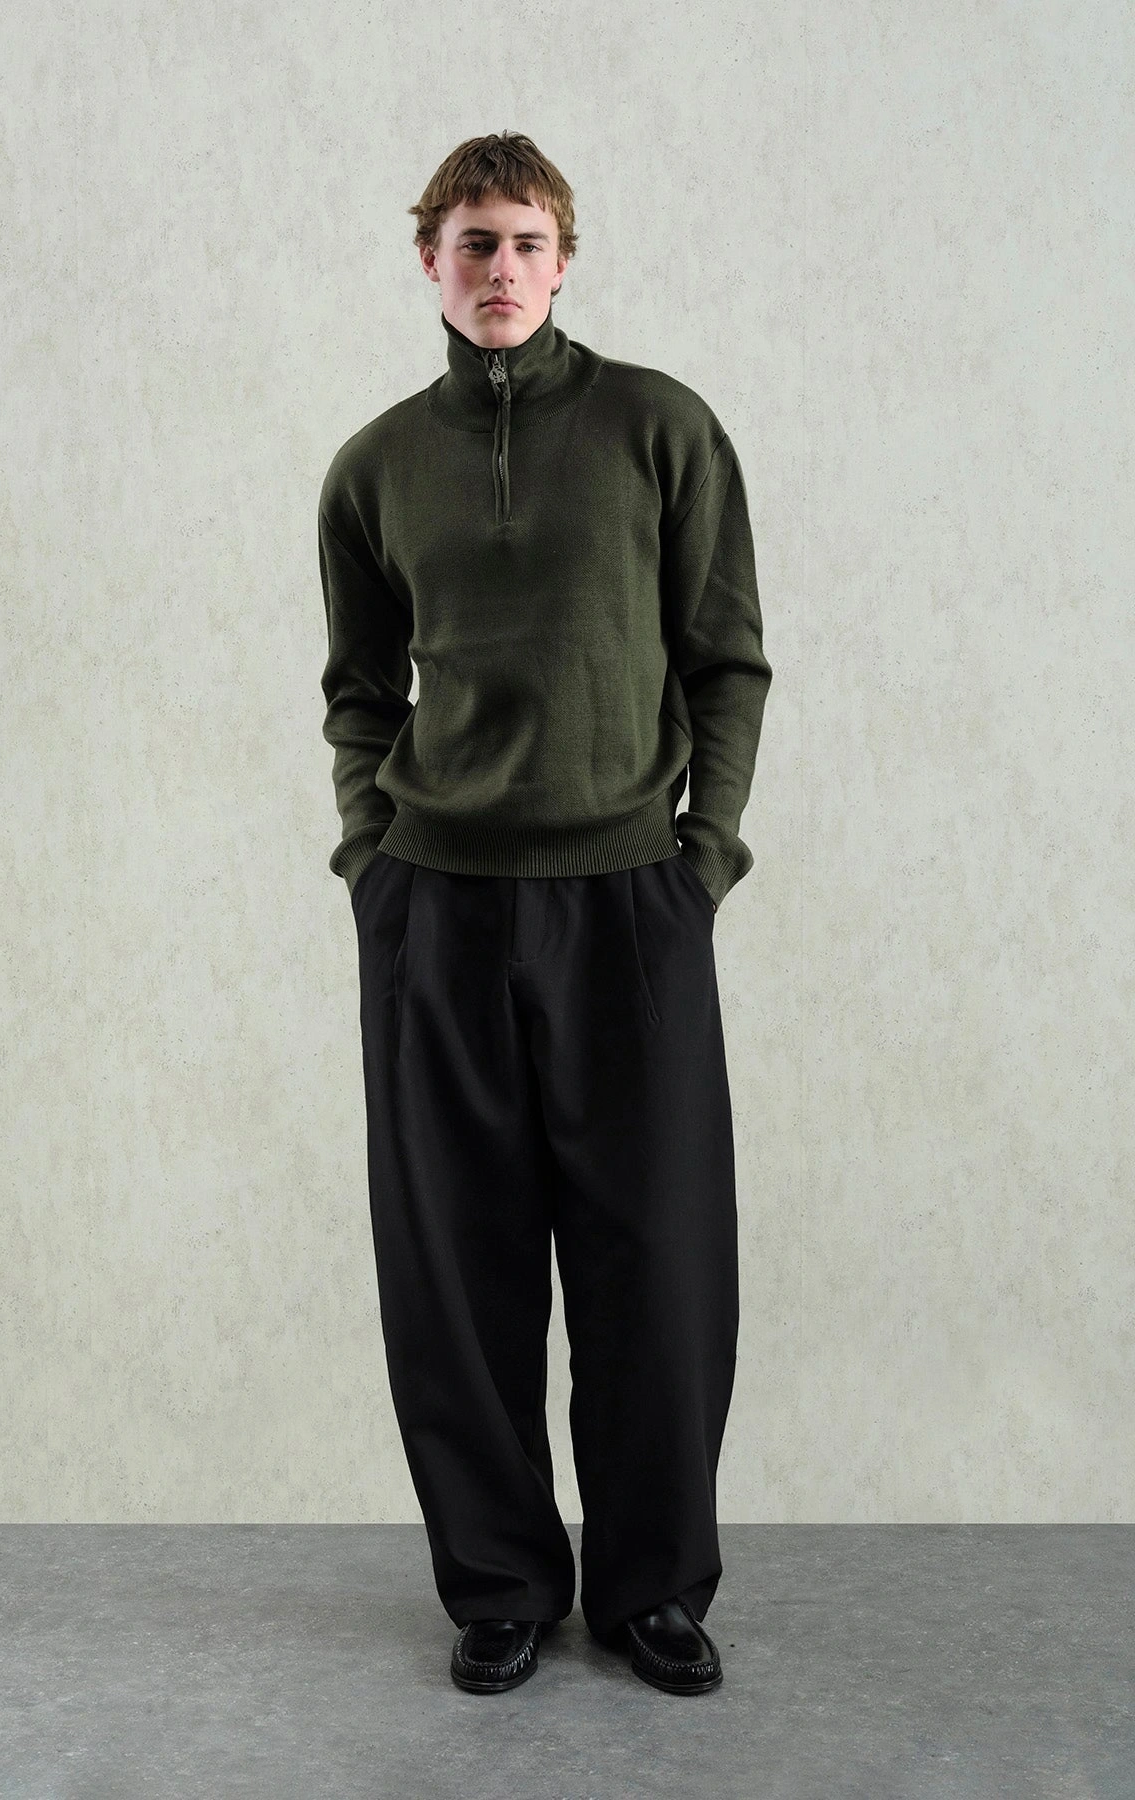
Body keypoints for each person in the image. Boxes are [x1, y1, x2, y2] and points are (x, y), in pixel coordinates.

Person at [317, 131, 771, 1696]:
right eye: (471, 242)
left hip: (629, 903)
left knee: (660, 1262)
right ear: (428, 263)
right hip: (436, 909)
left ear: (564, 260)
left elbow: (727, 661)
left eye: (522, 241)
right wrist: (372, 858)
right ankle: (501, 1583)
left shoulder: (661, 428)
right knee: (456, 1266)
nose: (498, 268)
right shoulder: (375, 468)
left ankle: (653, 1588)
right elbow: (358, 691)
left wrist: (702, 858)